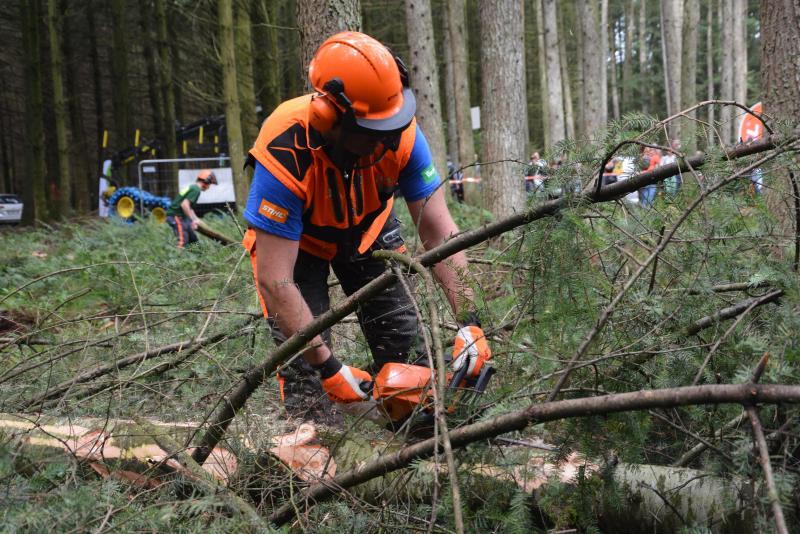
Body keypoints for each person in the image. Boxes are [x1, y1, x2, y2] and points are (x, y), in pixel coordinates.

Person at [242, 31, 491, 423]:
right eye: (373, 134)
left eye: (391, 127)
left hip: (368, 229)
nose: (385, 142)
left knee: (407, 348)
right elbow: (277, 281)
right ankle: (316, 456)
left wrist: (471, 321)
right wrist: (328, 367)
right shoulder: (285, 148)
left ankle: (422, 450)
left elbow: (440, 232)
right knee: (307, 376)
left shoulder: (403, 134)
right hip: (299, 248)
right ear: (330, 117)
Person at [166, 170, 217, 248]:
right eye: (210, 184)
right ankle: (177, 257)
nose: (209, 187)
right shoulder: (196, 190)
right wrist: (192, 220)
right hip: (176, 216)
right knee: (182, 241)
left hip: (182, 218)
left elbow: (189, 208)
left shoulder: (193, 188)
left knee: (194, 241)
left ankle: (199, 256)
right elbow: (184, 205)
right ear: (207, 181)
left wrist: (196, 219)